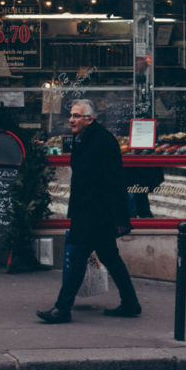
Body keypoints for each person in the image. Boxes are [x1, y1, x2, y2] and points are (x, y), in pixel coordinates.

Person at [36, 100, 142, 323]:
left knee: (76, 258)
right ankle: (131, 303)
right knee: (110, 258)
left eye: (76, 116)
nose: (71, 120)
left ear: (89, 119)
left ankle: (62, 309)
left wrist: (120, 217)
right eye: (71, 116)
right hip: (89, 211)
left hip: (95, 214)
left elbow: (115, 181)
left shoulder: (103, 141)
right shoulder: (83, 138)